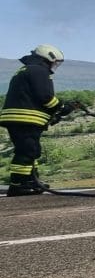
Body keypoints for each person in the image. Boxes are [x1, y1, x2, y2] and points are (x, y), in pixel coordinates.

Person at [1, 44, 74, 196]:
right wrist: (62, 106)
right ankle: (18, 185)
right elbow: (45, 97)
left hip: (17, 117)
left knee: (32, 150)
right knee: (26, 151)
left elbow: (31, 96)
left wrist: (57, 111)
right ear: (48, 58)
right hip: (25, 118)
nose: (55, 66)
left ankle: (30, 181)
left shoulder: (27, 70)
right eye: (55, 62)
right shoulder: (39, 71)